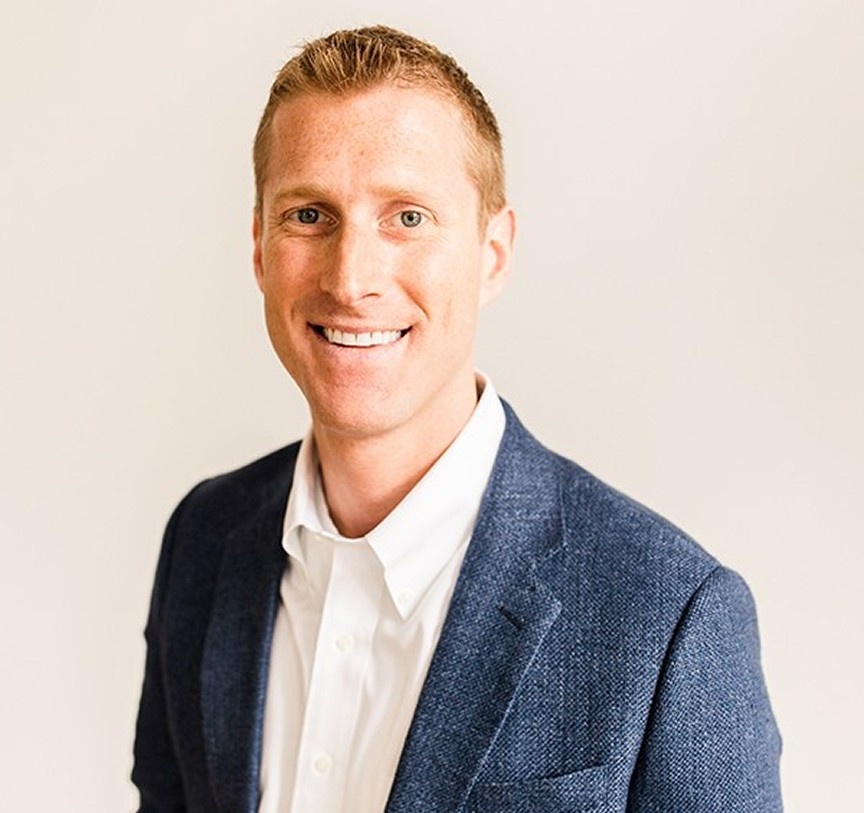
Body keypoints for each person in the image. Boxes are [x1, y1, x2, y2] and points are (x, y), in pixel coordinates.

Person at [132, 25, 782, 813]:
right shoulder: (205, 537)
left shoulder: (670, 615)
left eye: (407, 217)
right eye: (309, 214)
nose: (352, 278)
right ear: (261, 249)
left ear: (493, 253)